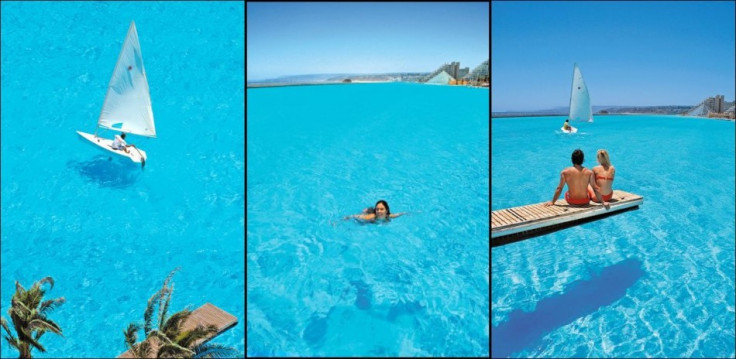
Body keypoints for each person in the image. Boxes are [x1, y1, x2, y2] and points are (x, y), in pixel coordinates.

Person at [544, 149, 609, 209]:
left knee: (567, 192)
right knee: (589, 189)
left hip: (572, 201)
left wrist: (552, 202)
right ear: (583, 160)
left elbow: (559, 188)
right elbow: (595, 188)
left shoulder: (565, 172)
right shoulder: (589, 172)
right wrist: (603, 202)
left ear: (572, 159)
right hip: (585, 201)